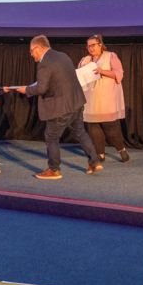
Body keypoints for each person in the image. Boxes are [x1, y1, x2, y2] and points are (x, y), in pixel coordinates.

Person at [15, 35, 102, 179]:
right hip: (76, 102)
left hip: (61, 108)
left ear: (39, 47)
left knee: (51, 137)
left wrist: (26, 90)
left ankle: (54, 170)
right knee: (80, 133)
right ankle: (94, 161)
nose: (31, 55)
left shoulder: (44, 63)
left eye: (32, 51)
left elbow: (41, 88)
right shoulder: (63, 56)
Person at [77, 34, 129, 163]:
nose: (90, 48)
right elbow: (78, 76)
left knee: (110, 125)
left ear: (100, 45)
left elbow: (119, 74)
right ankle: (100, 154)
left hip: (106, 98)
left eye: (93, 45)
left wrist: (102, 71)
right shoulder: (85, 60)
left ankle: (121, 150)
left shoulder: (110, 56)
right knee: (94, 126)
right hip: (90, 98)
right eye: (88, 46)